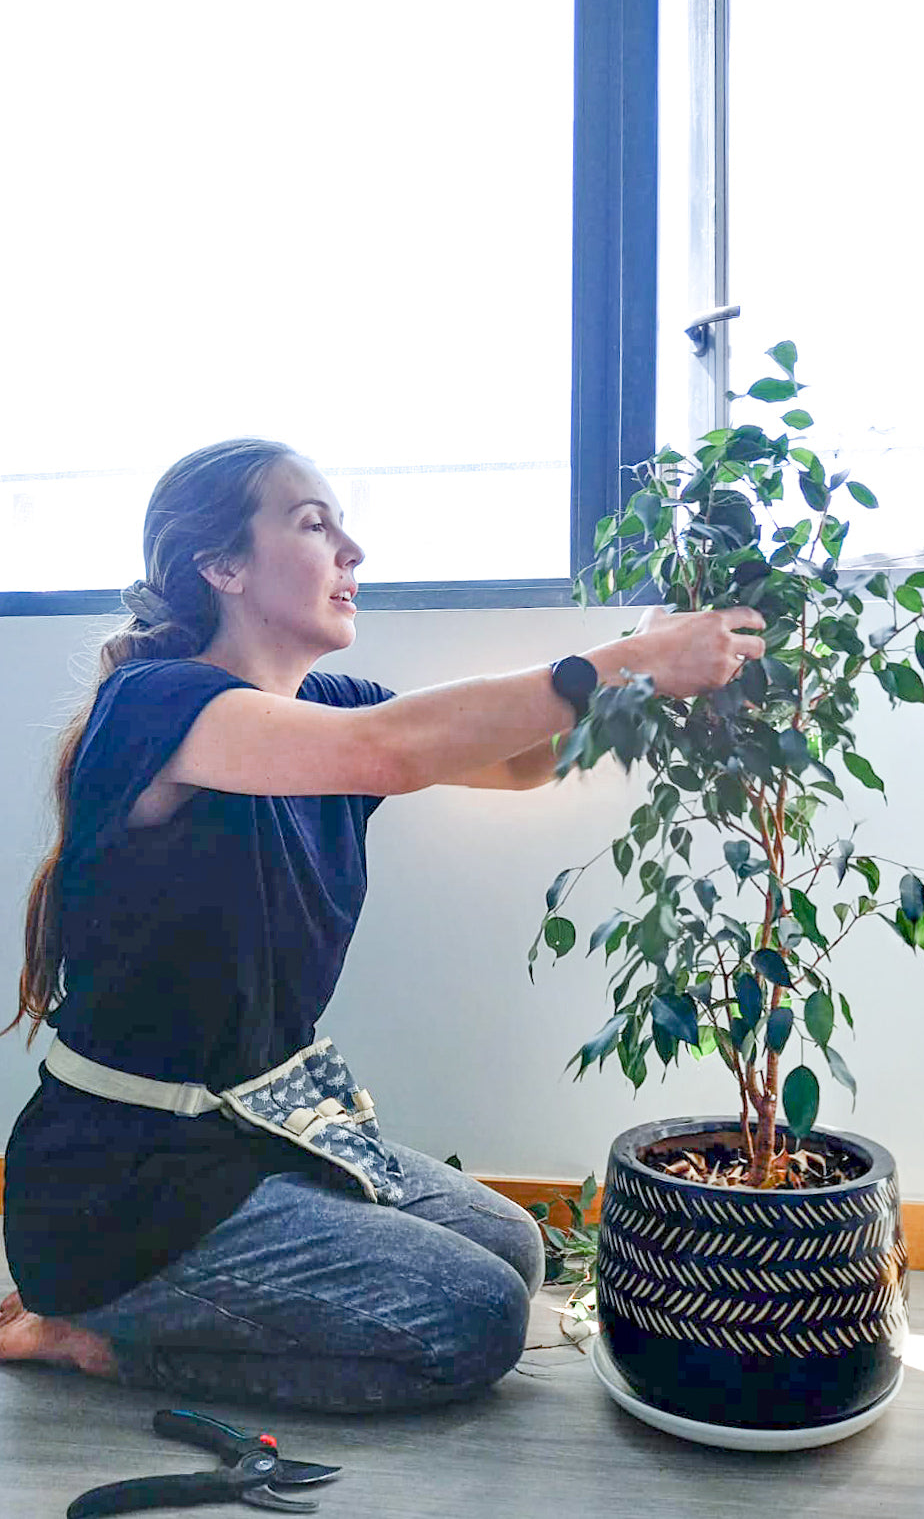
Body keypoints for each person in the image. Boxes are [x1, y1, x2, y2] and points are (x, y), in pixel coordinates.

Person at [0, 438, 765, 1412]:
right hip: (125, 1191)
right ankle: (90, 1333)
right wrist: (624, 660)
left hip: (254, 1135)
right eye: (313, 524)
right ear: (222, 567)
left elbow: (518, 762)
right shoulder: (157, 705)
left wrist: (647, 682)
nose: (351, 549)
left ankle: (149, 1299)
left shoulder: (325, 706)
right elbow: (389, 753)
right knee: (477, 1319)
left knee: (515, 1249)